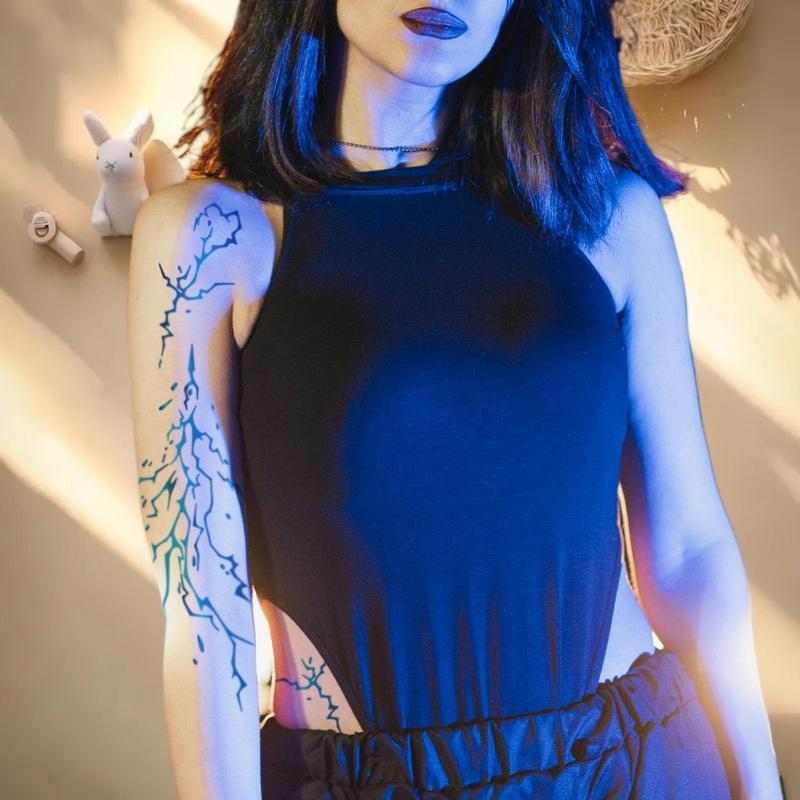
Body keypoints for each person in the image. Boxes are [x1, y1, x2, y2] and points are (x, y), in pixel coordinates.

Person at [127, 1, 783, 798]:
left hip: (639, 764)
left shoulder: (608, 216)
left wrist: (763, 788)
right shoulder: (212, 237)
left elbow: (687, 550)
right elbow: (205, 604)